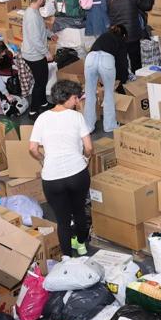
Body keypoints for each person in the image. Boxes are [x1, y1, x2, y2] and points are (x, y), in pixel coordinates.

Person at [29, 80, 94, 257]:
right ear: (70, 97)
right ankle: (81, 244)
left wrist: (43, 160)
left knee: (62, 220)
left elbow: (33, 148)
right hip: (77, 174)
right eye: (76, 98)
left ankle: (66, 257)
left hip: (52, 177)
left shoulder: (42, 118)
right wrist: (85, 159)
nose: (78, 102)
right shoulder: (77, 117)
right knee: (79, 210)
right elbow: (89, 148)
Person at [84, 24, 128, 133]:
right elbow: (122, 63)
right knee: (109, 94)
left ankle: (88, 126)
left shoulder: (104, 35)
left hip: (90, 58)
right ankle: (109, 126)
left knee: (89, 93)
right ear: (123, 35)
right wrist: (122, 79)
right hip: (106, 60)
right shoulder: (120, 41)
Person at [106, 0, 154, 74]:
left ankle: (123, 81)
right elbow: (147, 6)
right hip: (132, 34)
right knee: (135, 60)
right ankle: (138, 81)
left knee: (121, 61)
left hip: (117, 35)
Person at [21, 0, 54, 115]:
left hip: (36, 53)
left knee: (43, 79)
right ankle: (33, 111)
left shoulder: (34, 11)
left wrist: (50, 35)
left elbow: (41, 29)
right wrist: (46, 53)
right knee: (40, 83)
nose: (45, 0)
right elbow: (35, 39)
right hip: (34, 55)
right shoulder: (32, 16)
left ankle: (43, 103)